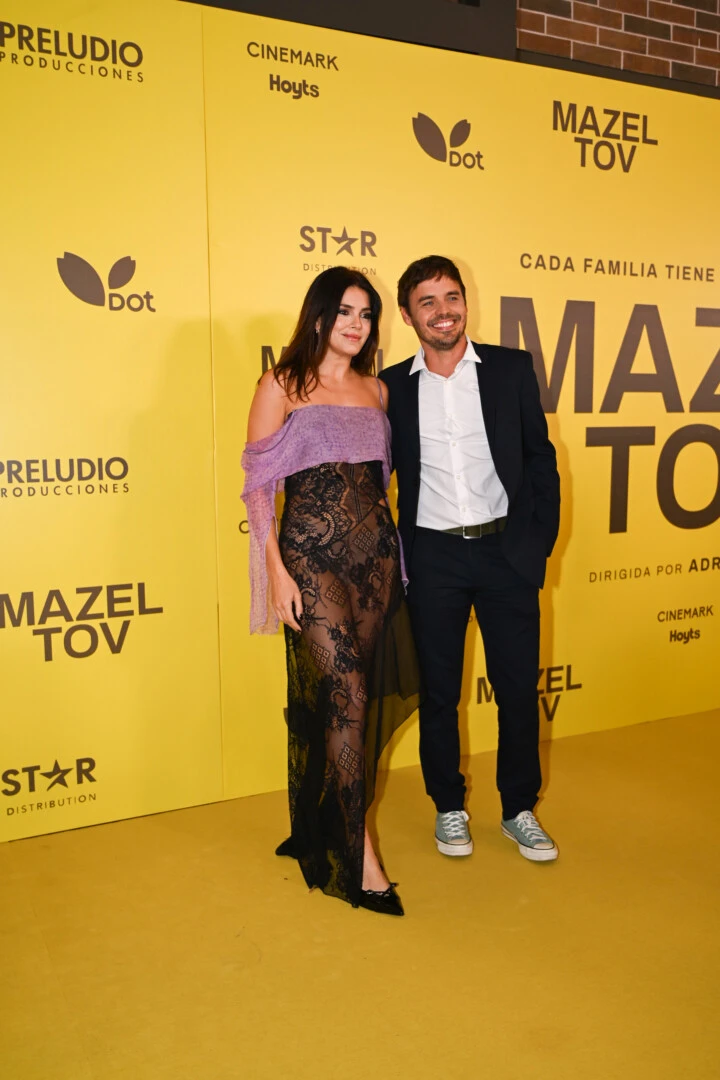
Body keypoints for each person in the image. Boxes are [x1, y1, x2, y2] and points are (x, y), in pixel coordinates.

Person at [242, 267, 419, 916]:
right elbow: (259, 488)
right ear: (318, 315)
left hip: (374, 561)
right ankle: (359, 853)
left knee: (348, 699)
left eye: (367, 314)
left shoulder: (378, 389)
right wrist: (275, 572)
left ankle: (316, 820)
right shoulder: (281, 384)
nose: (356, 324)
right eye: (345, 311)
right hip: (311, 560)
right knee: (345, 695)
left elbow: (382, 481)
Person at [379, 255, 561, 862]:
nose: (443, 311)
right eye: (427, 302)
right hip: (432, 556)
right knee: (439, 693)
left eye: (451, 297)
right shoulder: (391, 387)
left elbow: (540, 459)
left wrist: (536, 542)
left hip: (507, 551)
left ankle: (519, 809)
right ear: (408, 315)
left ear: (465, 301)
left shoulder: (511, 368)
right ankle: (448, 807)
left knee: (517, 690)